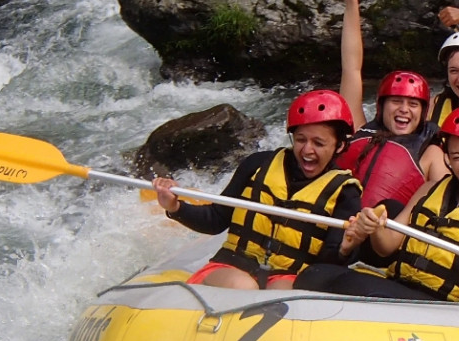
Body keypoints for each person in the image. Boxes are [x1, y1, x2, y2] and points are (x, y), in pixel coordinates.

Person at [295, 106, 459, 316]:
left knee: (345, 284)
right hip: (401, 286)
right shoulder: (430, 189)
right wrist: (375, 227)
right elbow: (386, 247)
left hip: (441, 306)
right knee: (314, 274)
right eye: (457, 157)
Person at [152, 90, 363, 289]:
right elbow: (216, 219)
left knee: (281, 295)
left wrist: (345, 248)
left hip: (289, 276)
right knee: (244, 286)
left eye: (318, 143)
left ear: (340, 146)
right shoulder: (257, 164)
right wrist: (175, 207)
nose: (307, 150)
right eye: (300, 140)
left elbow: (327, 266)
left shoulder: (345, 192)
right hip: (232, 265)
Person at [327, 0, 448, 207]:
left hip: (387, 234)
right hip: (336, 227)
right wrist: (351, 0)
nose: (404, 109)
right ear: (381, 106)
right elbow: (351, 67)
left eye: (413, 104)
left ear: (423, 113)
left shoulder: (431, 152)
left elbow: (446, 201)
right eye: (396, 101)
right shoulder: (360, 129)